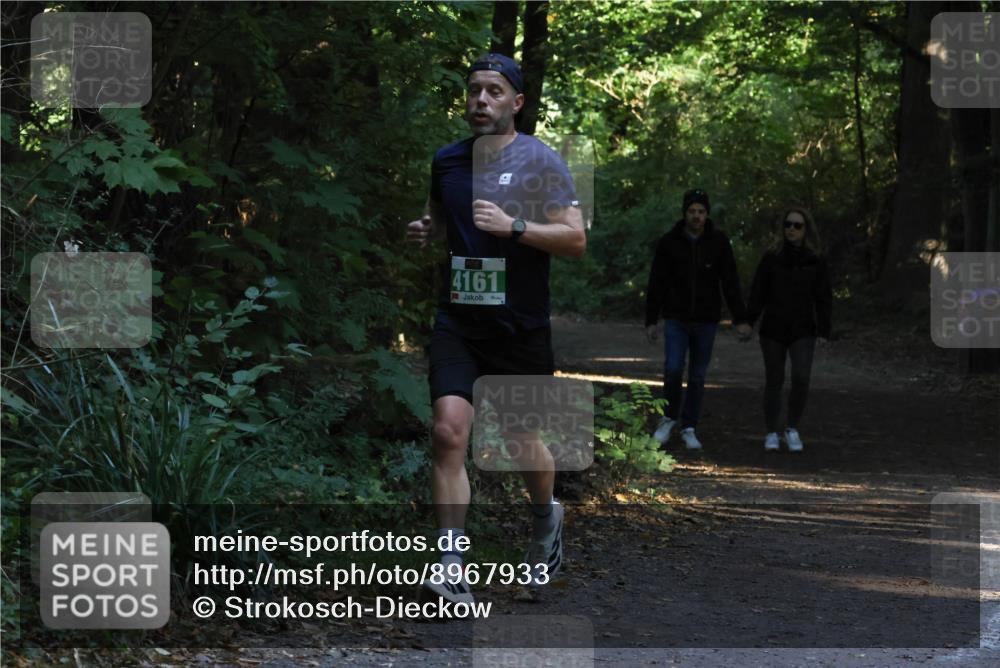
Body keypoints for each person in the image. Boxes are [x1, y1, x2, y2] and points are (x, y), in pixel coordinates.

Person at [406, 54, 586, 604]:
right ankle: (451, 562)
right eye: (474, 91)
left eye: (493, 91)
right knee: (447, 431)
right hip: (459, 319)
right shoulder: (447, 162)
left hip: (519, 325)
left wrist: (516, 227)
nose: (481, 100)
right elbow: (441, 221)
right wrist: (423, 231)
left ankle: (544, 524)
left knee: (519, 441)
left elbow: (575, 239)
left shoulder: (542, 162)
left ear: (517, 102)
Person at [644, 189, 752, 450]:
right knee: (672, 368)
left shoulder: (718, 243)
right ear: (685, 213)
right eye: (692, 211)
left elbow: (730, 282)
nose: (696, 216)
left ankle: (689, 425)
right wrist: (651, 319)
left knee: (698, 375)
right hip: (676, 318)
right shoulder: (669, 242)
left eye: (701, 212)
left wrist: (740, 318)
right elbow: (657, 282)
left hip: (706, 319)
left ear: (707, 214)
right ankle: (669, 418)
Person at [745, 206, 832, 452]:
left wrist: (825, 329)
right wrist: (748, 321)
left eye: (797, 225)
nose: (791, 229)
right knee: (774, 378)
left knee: (801, 377)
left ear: (806, 230)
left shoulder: (815, 260)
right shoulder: (772, 257)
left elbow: (824, 296)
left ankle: (792, 427)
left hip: (803, 329)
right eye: (788, 225)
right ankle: (771, 430)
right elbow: (758, 292)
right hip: (773, 328)